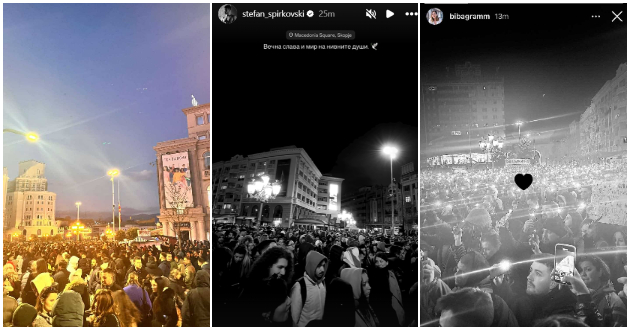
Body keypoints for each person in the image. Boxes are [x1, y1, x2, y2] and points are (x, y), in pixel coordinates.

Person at [577, 254, 627, 327]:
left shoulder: (612, 301)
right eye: (581, 270)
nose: (583, 274)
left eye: (588, 269)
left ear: (600, 272)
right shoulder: (578, 296)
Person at [290, 250, 328, 326]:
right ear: (311, 265)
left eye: (323, 265)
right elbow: (294, 319)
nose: (322, 270)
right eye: (319, 266)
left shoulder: (322, 283)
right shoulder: (300, 287)